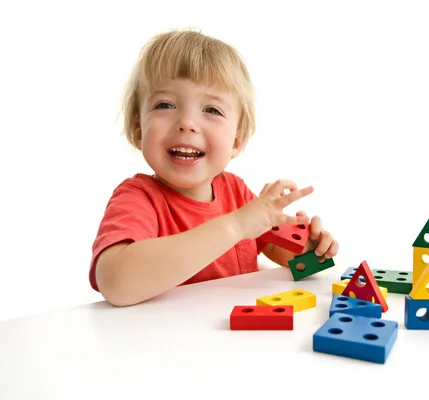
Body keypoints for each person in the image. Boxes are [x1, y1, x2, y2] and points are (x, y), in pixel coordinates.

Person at [89, 28, 339, 307]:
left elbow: (286, 260)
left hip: (233, 343)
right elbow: (115, 282)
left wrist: (312, 253)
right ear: (138, 130)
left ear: (236, 141)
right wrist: (235, 225)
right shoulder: (137, 198)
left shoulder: (237, 193)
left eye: (212, 110)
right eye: (165, 104)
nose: (187, 123)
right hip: (165, 345)